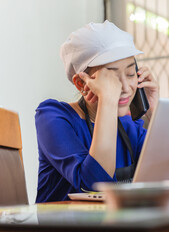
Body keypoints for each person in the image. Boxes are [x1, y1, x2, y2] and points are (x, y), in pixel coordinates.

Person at [35, 21, 159, 202]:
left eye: (131, 74)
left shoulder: (129, 127)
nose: (125, 87)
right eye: (112, 77)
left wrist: (154, 110)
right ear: (81, 83)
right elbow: (94, 185)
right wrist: (107, 100)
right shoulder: (52, 116)